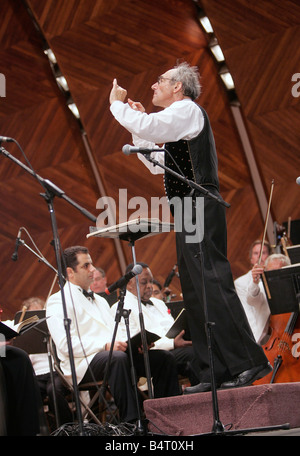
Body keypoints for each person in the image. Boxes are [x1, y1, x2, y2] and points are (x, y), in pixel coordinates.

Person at [109, 61, 271, 393]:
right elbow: (156, 164)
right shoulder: (177, 122)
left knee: (211, 282)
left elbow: (153, 128)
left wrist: (115, 105)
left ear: (178, 87)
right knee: (196, 290)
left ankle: (248, 362)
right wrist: (139, 127)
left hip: (198, 205)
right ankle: (215, 370)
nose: (154, 86)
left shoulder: (186, 110)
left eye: (159, 81)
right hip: (186, 210)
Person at [46, 246, 181, 424]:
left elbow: (114, 334)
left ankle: (167, 417)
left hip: (112, 355)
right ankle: (132, 422)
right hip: (82, 362)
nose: (93, 269)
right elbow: (66, 344)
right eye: (86, 266)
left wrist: (136, 344)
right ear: (70, 272)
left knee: (163, 358)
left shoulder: (100, 300)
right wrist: (105, 345)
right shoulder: (58, 301)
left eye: (92, 264)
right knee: (117, 358)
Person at [111, 262, 200, 386]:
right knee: (194, 354)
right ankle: (206, 394)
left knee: (203, 347)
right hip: (154, 353)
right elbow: (131, 342)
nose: (149, 286)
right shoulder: (122, 307)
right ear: (130, 284)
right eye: (144, 282)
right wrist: (172, 343)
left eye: (151, 281)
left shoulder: (158, 303)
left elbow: (170, 328)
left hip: (176, 347)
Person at [19, 297, 73, 427]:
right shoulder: (25, 335)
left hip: (56, 371)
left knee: (54, 390)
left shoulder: (55, 329)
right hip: (37, 375)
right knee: (25, 392)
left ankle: (67, 427)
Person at [245, 254, 291, 344]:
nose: (275, 277)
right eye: (271, 272)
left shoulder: (293, 290)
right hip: (266, 341)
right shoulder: (262, 288)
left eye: (279, 272)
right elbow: (251, 299)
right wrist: (254, 282)